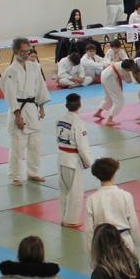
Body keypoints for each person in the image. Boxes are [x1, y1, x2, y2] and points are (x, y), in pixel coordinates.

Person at [2, 39, 51, 184]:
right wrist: (17, 116)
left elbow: (41, 86)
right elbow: (10, 95)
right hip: (19, 109)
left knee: (35, 144)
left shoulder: (34, 67)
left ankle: (33, 172)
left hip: (32, 109)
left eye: (27, 51)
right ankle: (15, 176)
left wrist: (41, 107)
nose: (25, 54)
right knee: (18, 146)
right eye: (22, 51)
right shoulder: (10, 71)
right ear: (15, 51)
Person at [50, 93, 95, 227]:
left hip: (61, 157)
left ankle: (64, 217)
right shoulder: (78, 123)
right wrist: (89, 162)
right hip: (72, 160)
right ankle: (71, 220)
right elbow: (82, 146)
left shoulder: (59, 120)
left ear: (66, 105)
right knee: (76, 192)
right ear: (80, 105)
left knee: (64, 190)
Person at [93, 46, 127, 122]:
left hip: (106, 74)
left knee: (108, 97)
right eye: (115, 48)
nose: (116, 49)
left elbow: (125, 60)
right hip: (109, 76)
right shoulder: (109, 52)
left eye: (118, 47)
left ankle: (98, 112)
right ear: (112, 47)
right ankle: (109, 119)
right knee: (119, 101)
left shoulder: (122, 52)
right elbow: (107, 62)